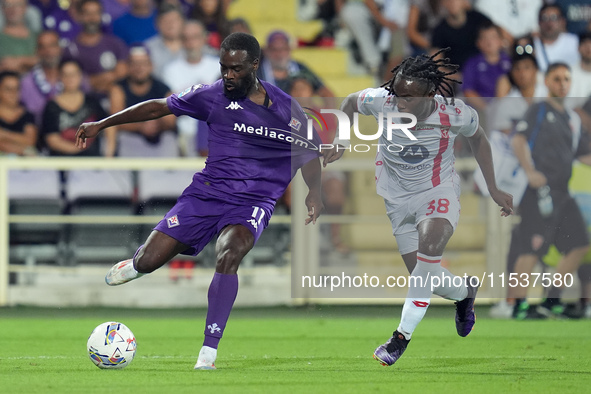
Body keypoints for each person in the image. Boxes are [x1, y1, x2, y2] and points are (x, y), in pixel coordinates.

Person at [74, 32, 324, 369]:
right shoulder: (211, 95)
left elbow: (309, 151)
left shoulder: (286, 109)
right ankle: (135, 266)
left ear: (254, 65)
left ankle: (208, 352)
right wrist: (103, 123)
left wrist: (314, 192)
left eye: (236, 69)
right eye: (224, 68)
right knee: (149, 261)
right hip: (206, 195)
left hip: (254, 200)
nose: (228, 75)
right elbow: (157, 108)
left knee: (230, 253)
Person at [323, 48, 513, 367]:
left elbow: (478, 139)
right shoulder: (381, 100)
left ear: (430, 93)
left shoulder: (454, 113)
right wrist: (342, 141)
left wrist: (493, 187)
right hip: (395, 198)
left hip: (437, 190)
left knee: (427, 258)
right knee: (425, 275)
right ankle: (465, 291)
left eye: (408, 97)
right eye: (397, 94)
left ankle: (400, 338)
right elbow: (348, 103)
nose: (400, 103)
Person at [509, 62, 591, 319]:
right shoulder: (538, 110)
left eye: (566, 79)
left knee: (579, 244)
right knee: (530, 249)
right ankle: (519, 307)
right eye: (557, 79)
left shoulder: (572, 119)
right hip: (540, 192)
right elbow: (518, 140)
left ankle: (551, 300)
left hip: (563, 193)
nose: (563, 84)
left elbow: (583, 154)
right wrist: (530, 171)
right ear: (547, 81)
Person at [41, 59, 115, 157]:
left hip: (93, 161)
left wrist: (109, 153)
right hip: (63, 161)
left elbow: (109, 125)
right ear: (60, 77)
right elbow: (52, 139)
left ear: (80, 76)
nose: (70, 78)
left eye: (74, 74)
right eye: (66, 75)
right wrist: (80, 150)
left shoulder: (92, 101)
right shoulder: (51, 106)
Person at [63, 0, 128, 96]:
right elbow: (76, 81)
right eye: (87, 14)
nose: (92, 18)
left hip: (114, 97)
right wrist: (109, 76)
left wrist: (93, 81)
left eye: (96, 13)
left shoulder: (115, 43)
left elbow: (123, 72)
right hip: (85, 102)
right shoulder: (71, 49)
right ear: (79, 16)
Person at [532, 3, 580, 72]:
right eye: (544, 18)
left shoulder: (575, 42)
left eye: (554, 18)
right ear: (539, 22)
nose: (549, 22)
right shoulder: (532, 44)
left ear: (562, 21)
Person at [0, 70, 38, 155]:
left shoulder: (27, 115)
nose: (13, 93)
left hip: (22, 165)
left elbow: (30, 141)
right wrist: (19, 144)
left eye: (17, 89)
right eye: (8, 89)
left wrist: (4, 134)